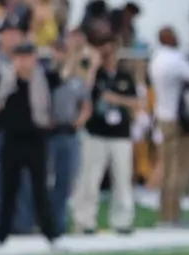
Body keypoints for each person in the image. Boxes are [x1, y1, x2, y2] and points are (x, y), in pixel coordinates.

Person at [0, 42, 58, 247]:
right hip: (12, 140)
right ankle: (1, 234)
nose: (23, 62)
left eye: (27, 57)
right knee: (8, 188)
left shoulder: (43, 79)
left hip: (36, 139)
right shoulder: (6, 79)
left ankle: (50, 234)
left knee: (40, 189)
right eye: (19, 57)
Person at [73, 29, 141, 235]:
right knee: (90, 178)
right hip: (96, 132)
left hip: (120, 133)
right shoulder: (93, 73)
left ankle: (122, 219)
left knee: (122, 177)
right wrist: (93, 67)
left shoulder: (125, 75)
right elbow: (84, 92)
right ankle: (85, 220)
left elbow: (138, 103)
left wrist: (117, 99)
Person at [149, 26, 189, 226]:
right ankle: (173, 214)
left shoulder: (156, 59)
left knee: (167, 167)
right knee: (178, 170)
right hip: (178, 120)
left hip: (162, 116)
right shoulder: (175, 59)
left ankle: (165, 214)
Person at [48, 38, 95, 237]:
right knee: (47, 180)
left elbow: (86, 103)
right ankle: (46, 222)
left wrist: (82, 118)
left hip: (71, 132)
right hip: (50, 133)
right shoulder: (47, 75)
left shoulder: (77, 80)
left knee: (67, 181)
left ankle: (59, 222)